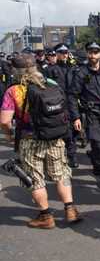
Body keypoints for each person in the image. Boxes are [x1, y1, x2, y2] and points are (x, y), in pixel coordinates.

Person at [0, 54, 82, 229]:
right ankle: (70, 209)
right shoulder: (51, 84)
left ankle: (45, 216)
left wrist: (8, 135)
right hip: (55, 137)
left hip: (30, 140)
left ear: (16, 71)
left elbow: (5, 121)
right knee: (61, 173)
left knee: (35, 178)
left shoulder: (13, 91)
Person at [68, 41, 100, 190]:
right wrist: (76, 117)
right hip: (91, 114)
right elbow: (72, 95)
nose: (93, 55)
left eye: (96, 52)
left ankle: (95, 156)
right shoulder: (81, 73)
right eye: (90, 52)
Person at [46, 43, 79, 168]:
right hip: (58, 104)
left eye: (66, 52)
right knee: (66, 131)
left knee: (74, 131)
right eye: (61, 53)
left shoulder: (74, 68)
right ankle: (71, 155)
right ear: (56, 54)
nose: (64, 55)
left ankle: (70, 153)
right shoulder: (50, 70)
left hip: (73, 103)